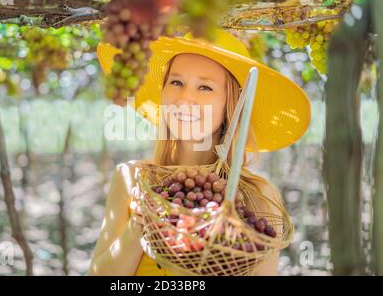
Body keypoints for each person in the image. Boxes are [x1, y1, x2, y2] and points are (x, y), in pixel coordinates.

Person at [88, 29, 311, 276]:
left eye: (205, 87)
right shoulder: (132, 179)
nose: (185, 98)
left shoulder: (257, 196)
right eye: (176, 82)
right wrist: (138, 227)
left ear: (231, 105)